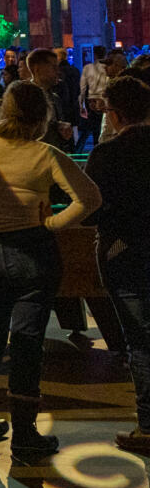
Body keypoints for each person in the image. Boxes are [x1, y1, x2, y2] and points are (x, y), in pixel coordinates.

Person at [0, 81, 100, 458]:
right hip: (33, 252)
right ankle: (26, 435)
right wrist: (54, 224)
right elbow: (89, 198)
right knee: (28, 343)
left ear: (4, 109)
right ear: (43, 115)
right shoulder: (46, 153)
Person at [86, 74, 150, 454]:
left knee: (141, 342)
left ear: (116, 113)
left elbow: (90, 213)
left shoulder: (107, 153)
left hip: (125, 254)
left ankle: (148, 427)